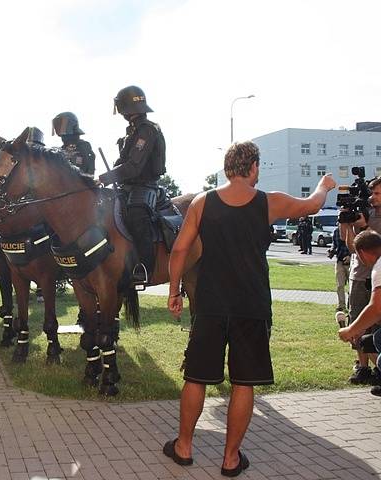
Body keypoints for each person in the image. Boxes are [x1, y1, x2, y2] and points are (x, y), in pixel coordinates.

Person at [166, 141, 336, 477]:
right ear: (254, 167)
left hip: (211, 306)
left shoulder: (203, 202)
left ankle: (183, 447)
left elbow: (179, 250)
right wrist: (324, 185)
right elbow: (313, 206)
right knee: (244, 383)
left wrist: (175, 290)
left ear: (228, 168)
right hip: (251, 305)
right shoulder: (269, 202)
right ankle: (230, 458)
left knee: (196, 377)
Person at [98, 85, 166, 284]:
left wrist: (103, 178)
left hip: (145, 186)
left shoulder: (147, 130)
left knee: (137, 215)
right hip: (127, 186)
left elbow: (134, 167)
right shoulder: (133, 132)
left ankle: (144, 267)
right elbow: (124, 164)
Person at [339, 176, 381, 384]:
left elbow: (373, 246)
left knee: (375, 326)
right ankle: (362, 366)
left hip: (377, 277)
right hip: (358, 275)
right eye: (372, 193)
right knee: (357, 320)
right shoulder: (364, 213)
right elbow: (353, 246)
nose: (373, 198)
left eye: (378, 194)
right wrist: (347, 223)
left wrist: (365, 227)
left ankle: (378, 368)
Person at [338, 229, 381, 397]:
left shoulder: (379, 268)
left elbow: (376, 308)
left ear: (362, 253)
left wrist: (351, 330)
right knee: (374, 339)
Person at [52, 112, 96, 177]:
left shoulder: (83, 146)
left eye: (61, 124)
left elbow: (88, 172)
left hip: (81, 184)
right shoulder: (60, 150)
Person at [328, 226, 350, 313]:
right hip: (340, 261)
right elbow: (334, 244)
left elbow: (357, 245)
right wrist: (331, 251)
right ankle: (341, 305)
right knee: (340, 285)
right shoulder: (336, 231)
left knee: (352, 286)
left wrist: (350, 255)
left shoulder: (352, 230)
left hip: (351, 262)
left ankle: (351, 304)